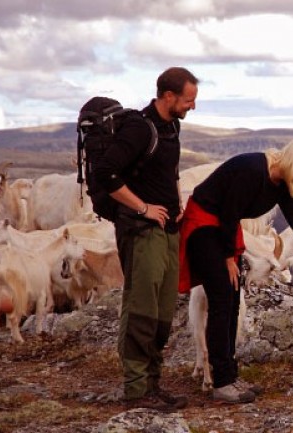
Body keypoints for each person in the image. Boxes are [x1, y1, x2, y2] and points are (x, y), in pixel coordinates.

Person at [179, 135, 293, 404]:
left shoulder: (284, 184)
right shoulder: (252, 169)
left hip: (225, 229)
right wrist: (229, 257)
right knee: (222, 300)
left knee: (232, 301)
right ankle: (222, 383)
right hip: (204, 225)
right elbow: (228, 211)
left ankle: (228, 375)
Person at [95, 66, 199, 411]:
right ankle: (137, 389)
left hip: (168, 230)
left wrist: (176, 201)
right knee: (142, 308)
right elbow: (105, 172)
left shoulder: (171, 126)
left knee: (163, 311)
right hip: (141, 232)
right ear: (168, 96)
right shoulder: (139, 128)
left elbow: (168, 170)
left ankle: (153, 382)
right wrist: (143, 209)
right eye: (188, 100)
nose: (192, 107)